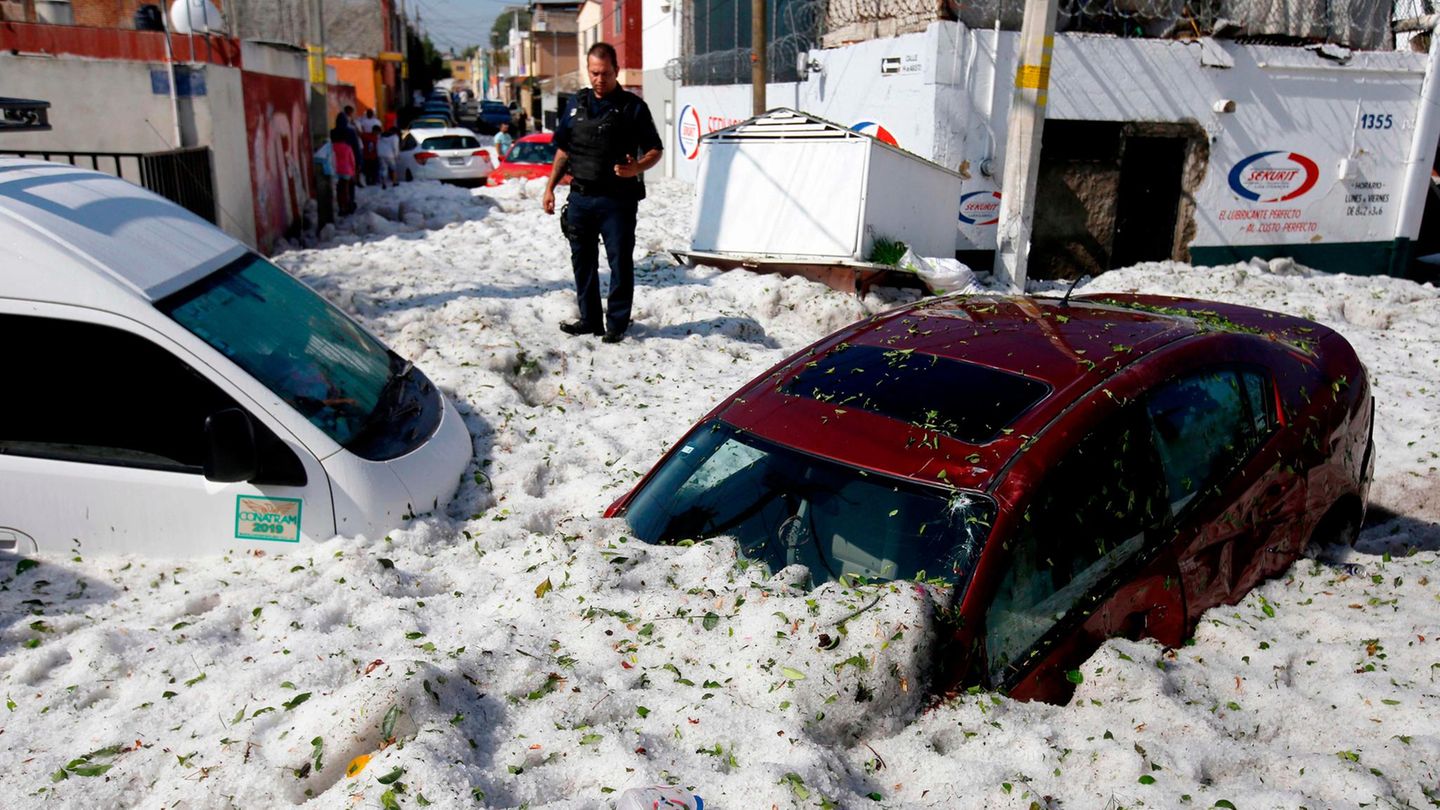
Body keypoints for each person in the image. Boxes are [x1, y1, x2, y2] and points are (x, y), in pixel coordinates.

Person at [543, 42, 662, 344]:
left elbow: (655, 149)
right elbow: (563, 151)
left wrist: (637, 168)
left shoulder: (632, 107)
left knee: (619, 262)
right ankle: (590, 319)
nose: (599, 79)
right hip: (580, 198)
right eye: (594, 73)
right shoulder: (576, 104)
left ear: (616, 71)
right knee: (582, 262)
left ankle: (617, 323)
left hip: (617, 201)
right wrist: (549, 188)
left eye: (605, 73)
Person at [330, 127, 356, 215]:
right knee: (346, 190)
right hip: (346, 171)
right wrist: (353, 172)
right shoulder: (347, 147)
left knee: (339, 190)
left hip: (335, 171)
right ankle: (347, 206)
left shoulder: (332, 147)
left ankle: (341, 207)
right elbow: (352, 160)